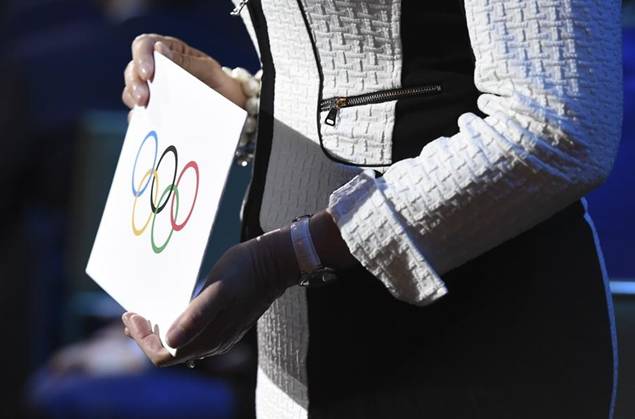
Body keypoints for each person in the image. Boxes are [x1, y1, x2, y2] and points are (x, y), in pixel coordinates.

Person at [121, 1, 622, 418]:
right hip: (295, 358)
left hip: (473, 344)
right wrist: (241, 105)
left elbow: (559, 128)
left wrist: (293, 255)